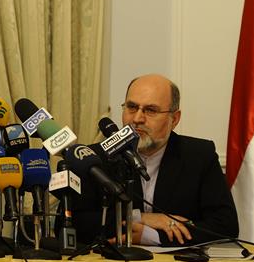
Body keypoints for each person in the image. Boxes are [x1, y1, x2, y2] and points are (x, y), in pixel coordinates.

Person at [73, 74, 239, 246]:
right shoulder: (94, 157)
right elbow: (76, 223)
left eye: (151, 110)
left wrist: (150, 236)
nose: (137, 119)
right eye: (131, 107)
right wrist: (140, 218)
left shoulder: (199, 156)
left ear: (174, 119)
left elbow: (225, 226)